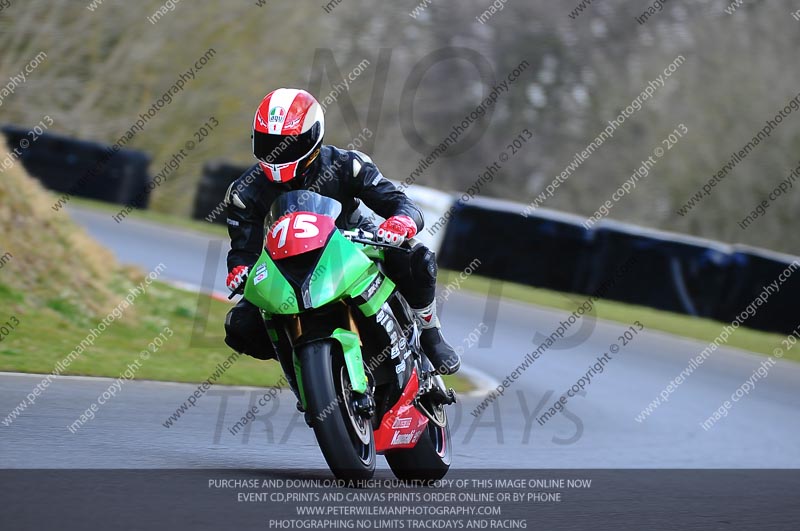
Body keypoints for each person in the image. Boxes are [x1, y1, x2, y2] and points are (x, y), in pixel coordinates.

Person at [223, 88, 460, 375]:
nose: (278, 153)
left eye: (287, 144)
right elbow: (243, 251)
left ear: (313, 137)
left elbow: (398, 202)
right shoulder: (245, 192)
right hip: (287, 265)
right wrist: (240, 269)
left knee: (415, 256)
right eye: (269, 143)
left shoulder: (348, 165)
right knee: (240, 326)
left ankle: (430, 333)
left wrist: (400, 222)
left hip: (355, 245)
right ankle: (305, 367)